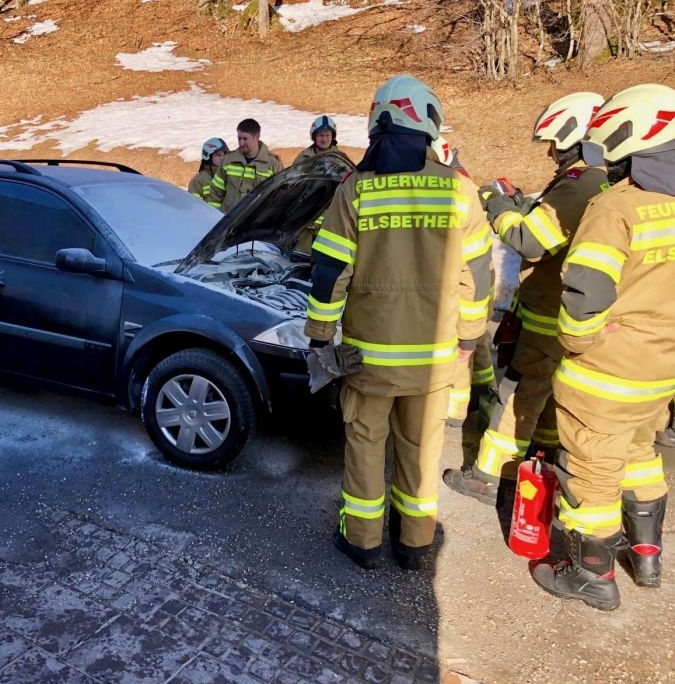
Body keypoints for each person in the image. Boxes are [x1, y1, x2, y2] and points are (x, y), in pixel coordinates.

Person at [303, 74, 492, 570]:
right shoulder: (460, 190)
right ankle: (414, 543)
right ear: (428, 124)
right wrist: (469, 339)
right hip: (434, 359)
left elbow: (329, 274)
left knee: (366, 446)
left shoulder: (357, 190)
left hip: (370, 358)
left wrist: (320, 338)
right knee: (422, 449)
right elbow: (478, 276)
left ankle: (362, 541)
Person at [532, 83, 674, 611]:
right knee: (640, 454)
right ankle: (647, 555)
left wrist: (578, 340)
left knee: (591, 468)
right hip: (660, 373)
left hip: (606, 374)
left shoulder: (616, 208)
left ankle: (592, 574)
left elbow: (586, 290)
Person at [443, 91, 608, 505]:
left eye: (555, 143)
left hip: (548, 310)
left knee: (518, 388)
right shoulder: (603, 181)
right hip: (571, 312)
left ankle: (487, 475)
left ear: (576, 138)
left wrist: (497, 203)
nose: (552, 153)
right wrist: (522, 203)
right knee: (550, 390)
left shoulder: (579, 183)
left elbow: (529, 241)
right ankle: (544, 452)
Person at [429, 136, 498, 427]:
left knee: (461, 349)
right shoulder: (460, 181)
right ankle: (484, 390)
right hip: (480, 277)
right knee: (476, 340)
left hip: (467, 282)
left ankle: (456, 412)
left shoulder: (454, 186)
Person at [207, 118, 283, 214]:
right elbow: (216, 191)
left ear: (257, 136)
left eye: (245, 139)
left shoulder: (273, 164)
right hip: (228, 221)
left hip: (254, 224)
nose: (241, 143)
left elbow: (279, 198)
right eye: (239, 138)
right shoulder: (229, 160)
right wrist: (215, 215)